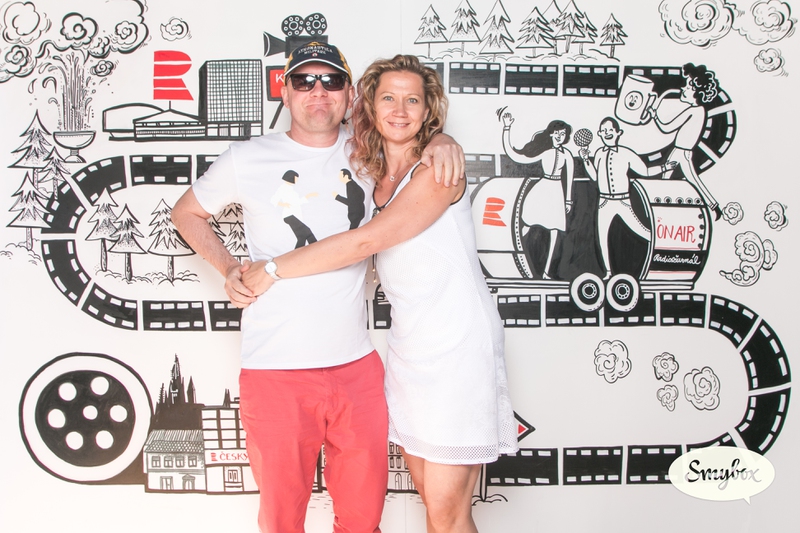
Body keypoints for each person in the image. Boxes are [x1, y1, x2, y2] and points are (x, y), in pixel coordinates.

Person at [171, 42, 464, 533]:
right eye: (304, 80)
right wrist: (228, 268)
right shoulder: (248, 158)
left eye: (331, 80)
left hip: (357, 369)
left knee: (363, 519)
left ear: (350, 95)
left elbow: (413, 139)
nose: (318, 91)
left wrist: (443, 140)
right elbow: (187, 213)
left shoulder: (369, 151)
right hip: (276, 371)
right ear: (284, 92)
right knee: (282, 520)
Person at [241, 54, 518, 533]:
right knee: (430, 497)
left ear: (429, 111)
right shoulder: (371, 172)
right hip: (409, 351)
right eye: (388, 98)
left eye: (413, 100)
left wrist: (271, 269)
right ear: (368, 105)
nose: (400, 110)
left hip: (457, 348)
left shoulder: (438, 171)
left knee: (448, 511)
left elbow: (364, 242)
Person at [579, 117, 676, 279]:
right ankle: (608, 273)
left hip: (623, 201)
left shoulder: (626, 153)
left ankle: (664, 254)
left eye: (610, 130)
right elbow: (595, 176)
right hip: (604, 202)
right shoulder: (599, 153)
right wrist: (585, 160)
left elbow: (645, 171)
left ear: (618, 133)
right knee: (602, 237)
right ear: (599, 134)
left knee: (642, 231)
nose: (607, 133)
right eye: (604, 131)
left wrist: (664, 167)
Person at [501, 115, 575, 279]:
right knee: (525, 223)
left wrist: (568, 200)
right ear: (551, 134)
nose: (560, 136)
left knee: (555, 231)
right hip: (541, 190)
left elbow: (569, 178)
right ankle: (511, 254)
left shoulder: (567, 155)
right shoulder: (545, 152)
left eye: (563, 134)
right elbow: (516, 156)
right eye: (557, 133)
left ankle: (547, 272)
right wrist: (507, 128)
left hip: (556, 193)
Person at [651, 62, 723, 220]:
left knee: (671, 180)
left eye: (689, 86)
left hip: (681, 152)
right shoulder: (700, 111)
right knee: (679, 180)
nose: (683, 88)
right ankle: (713, 206)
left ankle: (663, 211)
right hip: (681, 152)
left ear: (697, 92)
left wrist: (654, 115)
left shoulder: (693, 111)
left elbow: (667, 127)